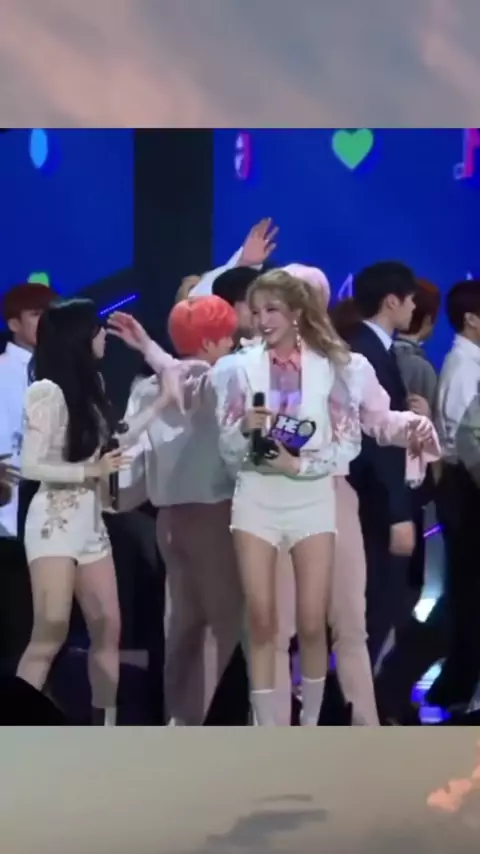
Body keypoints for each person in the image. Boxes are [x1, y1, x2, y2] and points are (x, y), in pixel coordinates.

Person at [216, 268, 439, 726]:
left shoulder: (346, 366)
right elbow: (228, 445)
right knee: (272, 627)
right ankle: (273, 733)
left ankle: (360, 729)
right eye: (259, 311)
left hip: (330, 494)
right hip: (263, 495)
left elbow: (379, 421)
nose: (265, 319)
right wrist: (246, 435)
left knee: (349, 623)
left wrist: (412, 427)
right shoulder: (240, 369)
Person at [16, 297, 182, 725]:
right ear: (79, 337)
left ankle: (104, 730)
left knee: (108, 627)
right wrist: (91, 470)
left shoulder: (94, 387)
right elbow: (31, 465)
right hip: (53, 523)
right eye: (96, 329)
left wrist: (161, 404)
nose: (103, 336)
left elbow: (113, 445)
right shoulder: (45, 392)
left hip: (91, 524)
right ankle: (13, 728)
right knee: (50, 631)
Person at [109, 295, 245, 725]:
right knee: (225, 626)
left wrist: (150, 349)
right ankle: (207, 725)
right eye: (227, 337)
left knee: (183, 628)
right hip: (215, 516)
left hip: (168, 520)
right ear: (209, 343)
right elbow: (199, 378)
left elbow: (134, 453)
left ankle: (179, 722)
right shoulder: (216, 381)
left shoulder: (148, 387)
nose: (233, 345)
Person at [346, 262, 420, 668]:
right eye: (410, 300)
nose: (414, 308)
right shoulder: (364, 353)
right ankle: (349, 698)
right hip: (372, 500)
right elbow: (377, 443)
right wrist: (397, 513)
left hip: (371, 497)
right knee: (376, 604)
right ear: (391, 301)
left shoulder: (371, 348)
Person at [0, 282, 57, 670]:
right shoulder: (5, 372)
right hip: (10, 519)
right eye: (37, 315)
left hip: (50, 517)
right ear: (13, 323)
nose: (46, 323)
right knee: (18, 631)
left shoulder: (53, 370)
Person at [431, 279, 480, 713]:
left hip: (465, 483)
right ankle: (457, 687)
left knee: (464, 592)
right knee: (466, 593)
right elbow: (468, 440)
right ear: (471, 319)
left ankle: (455, 684)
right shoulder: (466, 367)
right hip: (467, 486)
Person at [190, 218, 278, 298]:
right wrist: (245, 264)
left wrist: (245, 264)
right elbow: (202, 300)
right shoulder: (198, 294)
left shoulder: (210, 279)